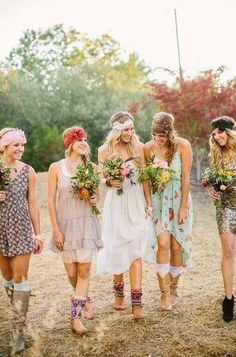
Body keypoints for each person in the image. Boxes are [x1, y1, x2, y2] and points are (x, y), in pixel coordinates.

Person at [97, 111, 152, 319]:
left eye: (132, 129)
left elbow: (145, 178)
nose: (130, 133)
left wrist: (148, 204)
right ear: (116, 131)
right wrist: (110, 181)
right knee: (117, 248)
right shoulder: (104, 150)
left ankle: (137, 302)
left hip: (136, 202)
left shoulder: (139, 148)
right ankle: (118, 292)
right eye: (126, 130)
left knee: (136, 251)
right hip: (116, 204)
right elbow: (103, 177)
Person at [48, 126, 103, 334]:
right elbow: (51, 203)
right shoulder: (56, 167)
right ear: (70, 143)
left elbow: (97, 196)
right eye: (79, 140)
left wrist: (94, 197)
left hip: (87, 223)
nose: (84, 143)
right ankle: (84, 298)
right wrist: (56, 230)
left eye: (85, 140)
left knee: (84, 271)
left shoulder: (92, 168)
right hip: (66, 225)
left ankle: (75, 318)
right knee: (71, 272)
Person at [144, 112, 193, 310]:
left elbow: (186, 177)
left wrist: (182, 208)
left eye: (161, 135)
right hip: (158, 201)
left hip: (178, 199)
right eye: (154, 134)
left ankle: (174, 289)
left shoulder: (183, 145)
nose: (157, 138)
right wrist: (148, 203)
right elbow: (146, 178)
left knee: (176, 246)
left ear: (170, 132)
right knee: (163, 243)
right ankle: (163, 294)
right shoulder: (148, 148)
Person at [0, 128, 43, 354]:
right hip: (0, 229)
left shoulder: (28, 171)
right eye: (15, 145)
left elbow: (33, 203)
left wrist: (38, 233)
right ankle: (19, 314)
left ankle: (18, 332)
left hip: (21, 229)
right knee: (7, 278)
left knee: (20, 277)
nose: (20, 149)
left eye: (22, 145)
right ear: (3, 147)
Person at [209, 116, 236, 322]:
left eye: (220, 132)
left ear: (229, 131)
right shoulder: (215, 155)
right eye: (215, 134)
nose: (217, 137)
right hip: (226, 207)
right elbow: (214, 180)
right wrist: (214, 190)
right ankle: (228, 300)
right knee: (228, 251)